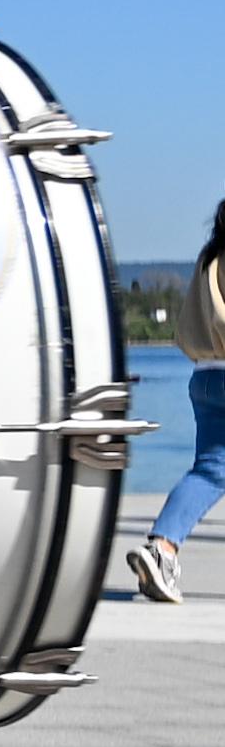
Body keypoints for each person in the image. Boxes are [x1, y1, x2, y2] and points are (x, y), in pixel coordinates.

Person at [126, 203, 225, 602]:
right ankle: (162, 549)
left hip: (206, 376)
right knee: (214, 472)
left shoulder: (209, 259)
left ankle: (162, 548)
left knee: (210, 471)